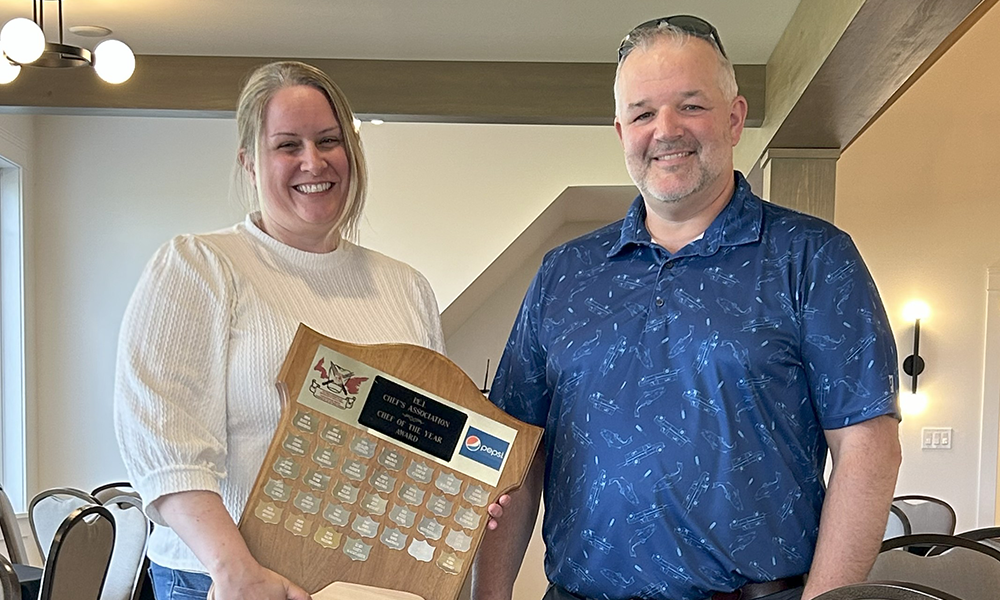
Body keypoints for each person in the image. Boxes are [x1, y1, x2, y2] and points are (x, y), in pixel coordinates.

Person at [473, 16, 901, 600]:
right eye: (644, 113)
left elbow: (868, 449)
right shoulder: (564, 273)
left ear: (734, 117)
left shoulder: (814, 258)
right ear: (620, 130)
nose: (666, 130)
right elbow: (515, 454)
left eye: (691, 106)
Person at [114, 61, 449, 600]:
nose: (312, 161)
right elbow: (163, 441)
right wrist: (235, 569)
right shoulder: (200, 266)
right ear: (250, 162)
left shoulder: (405, 287)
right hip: (225, 582)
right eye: (287, 145)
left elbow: (424, 442)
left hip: (364, 585)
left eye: (328, 140)